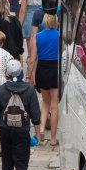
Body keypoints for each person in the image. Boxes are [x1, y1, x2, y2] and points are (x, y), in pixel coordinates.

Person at [0, 60, 41, 170]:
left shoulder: (1, 90)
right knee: (21, 165)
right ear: (21, 73)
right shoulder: (30, 90)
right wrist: (38, 134)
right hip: (22, 131)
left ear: (7, 73)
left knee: (7, 164)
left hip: (5, 131)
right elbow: (36, 115)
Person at [27, 14, 59, 146]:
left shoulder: (37, 37)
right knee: (54, 106)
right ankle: (52, 138)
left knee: (45, 102)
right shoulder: (59, 35)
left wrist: (30, 76)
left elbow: (32, 59)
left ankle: (40, 132)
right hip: (55, 69)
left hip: (42, 69)